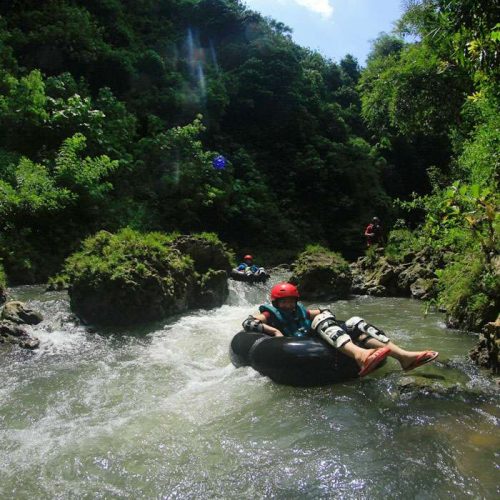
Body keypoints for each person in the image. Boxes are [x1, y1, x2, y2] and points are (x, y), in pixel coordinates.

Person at [242, 282, 439, 377]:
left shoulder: (301, 310)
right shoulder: (269, 314)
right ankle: (361, 356)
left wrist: (323, 315)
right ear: (276, 303)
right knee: (322, 319)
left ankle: (404, 357)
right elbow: (248, 323)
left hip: (312, 337)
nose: (287, 305)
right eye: (283, 302)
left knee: (354, 322)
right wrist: (275, 332)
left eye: (291, 301)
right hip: (294, 345)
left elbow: (325, 312)